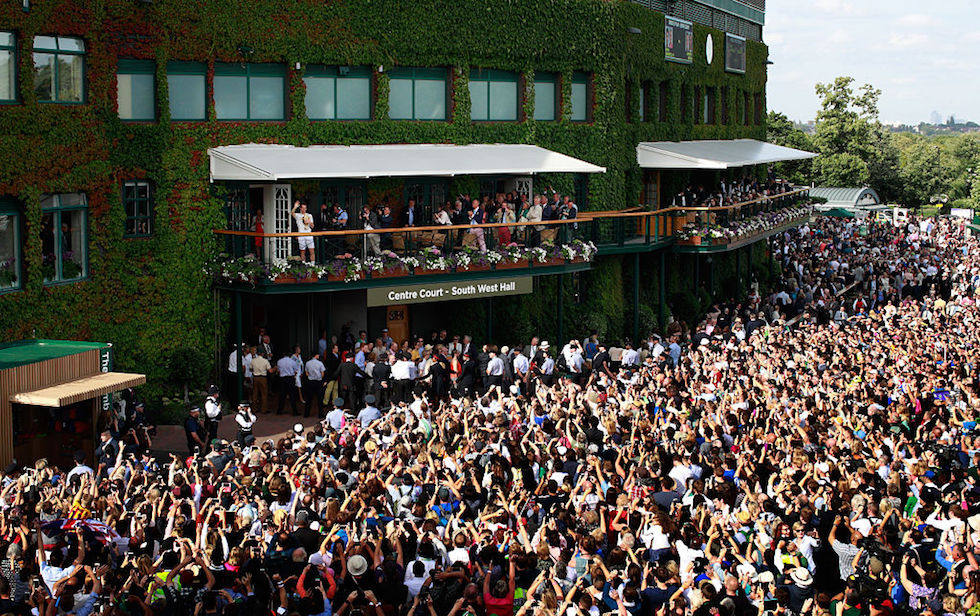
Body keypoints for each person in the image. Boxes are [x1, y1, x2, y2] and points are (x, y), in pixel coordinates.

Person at [304, 352, 326, 418]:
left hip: (310, 381)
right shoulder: (320, 363)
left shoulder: (307, 363)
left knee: (309, 399)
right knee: (320, 399)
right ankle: (320, 414)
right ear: (316, 355)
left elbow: (306, 373)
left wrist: (310, 376)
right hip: (318, 382)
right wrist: (320, 378)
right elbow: (322, 373)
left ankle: (306, 414)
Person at [203, 384, 221, 449]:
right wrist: (218, 409)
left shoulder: (213, 401)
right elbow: (210, 414)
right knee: (212, 438)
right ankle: (209, 451)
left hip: (214, 423)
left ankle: (211, 449)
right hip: (211, 423)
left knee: (213, 437)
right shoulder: (210, 402)